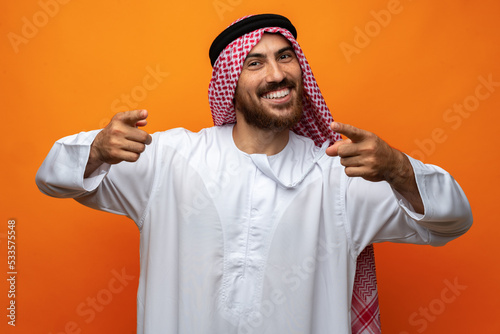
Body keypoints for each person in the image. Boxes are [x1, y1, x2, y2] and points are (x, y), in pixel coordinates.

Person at [36, 14, 472, 334]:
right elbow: (54, 177)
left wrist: (397, 168)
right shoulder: (169, 159)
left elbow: (453, 220)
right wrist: (95, 151)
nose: (278, 74)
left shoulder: (339, 175)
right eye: (255, 63)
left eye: (285, 58)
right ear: (229, 81)